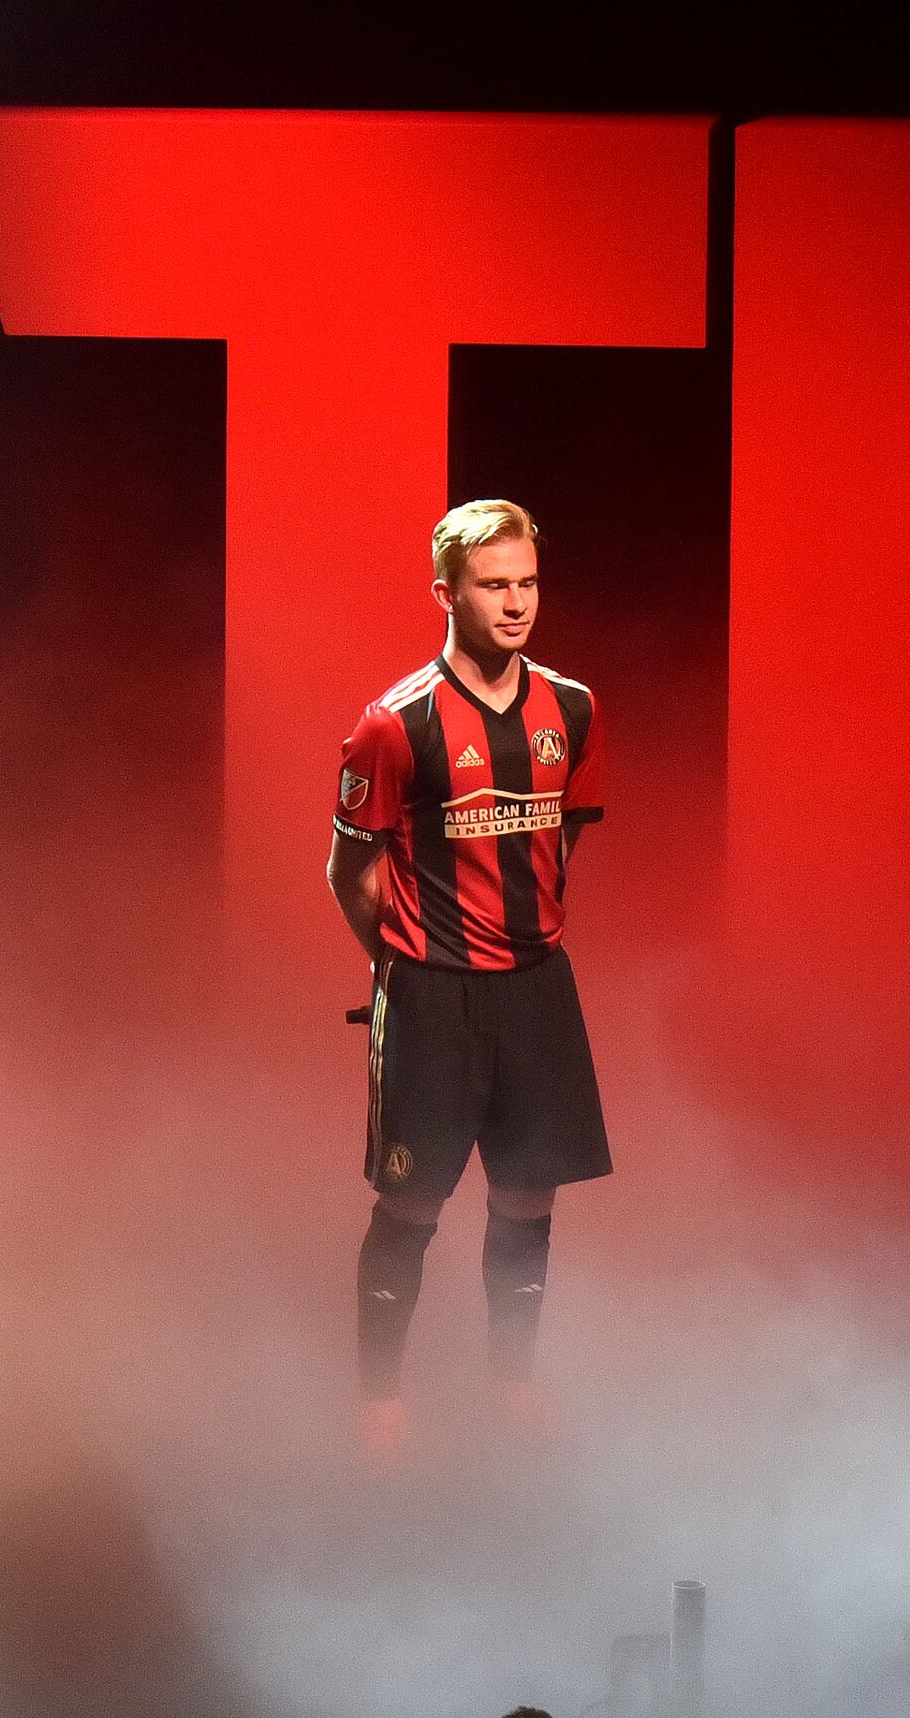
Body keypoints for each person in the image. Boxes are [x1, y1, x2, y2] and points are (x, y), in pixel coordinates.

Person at [330, 499, 612, 1457]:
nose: (517, 601)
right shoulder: (393, 722)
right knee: (412, 1204)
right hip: (431, 992)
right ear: (446, 594)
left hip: (536, 988)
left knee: (529, 1196)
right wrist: (402, 958)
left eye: (528, 582)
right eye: (495, 585)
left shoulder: (571, 709)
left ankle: (512, 1382)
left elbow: (563, 838)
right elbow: (351, 870)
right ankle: (380, 1402)